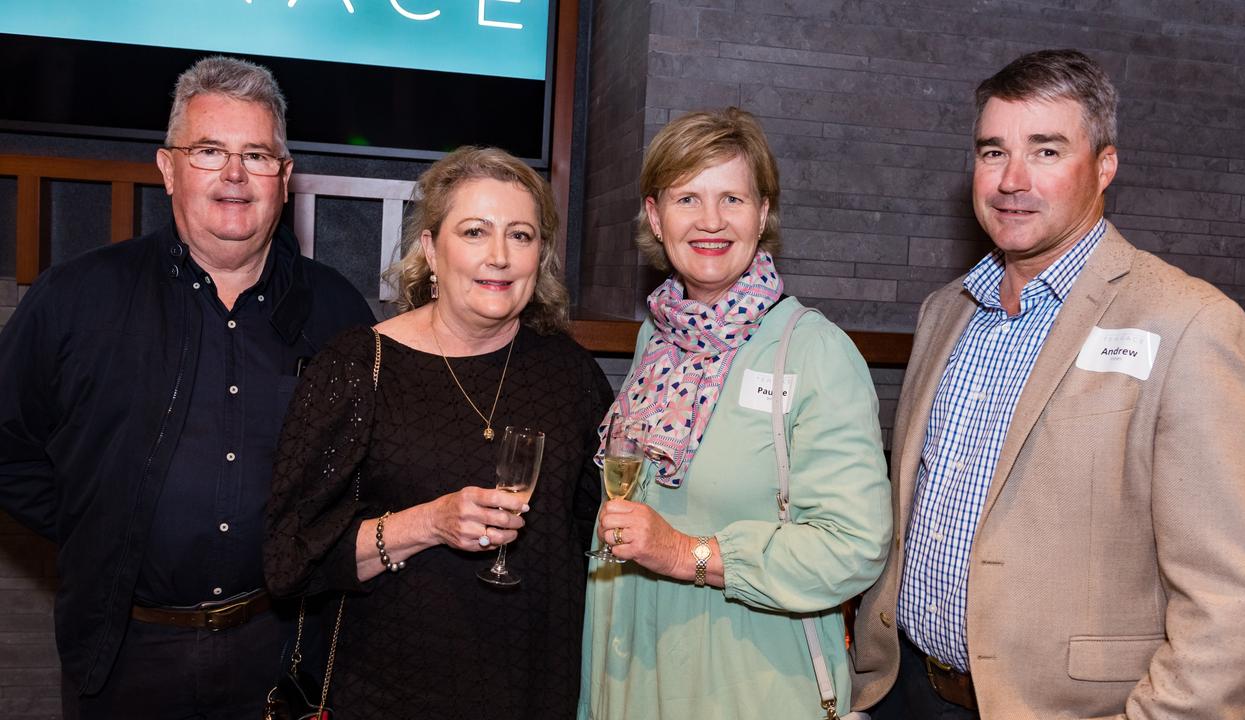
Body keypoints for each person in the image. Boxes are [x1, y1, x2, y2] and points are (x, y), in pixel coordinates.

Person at [850, 49, 1245, 719]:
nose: (1011, 180)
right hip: (903, 693)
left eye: (1046, 152)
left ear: (1104, 166)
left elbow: (1239, 604)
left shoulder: (1187, 324)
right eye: (993, 152)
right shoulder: (945, 312)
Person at [0, 56, 374, 718]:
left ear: (284, 179)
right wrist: (98, 518)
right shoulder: (77, 297)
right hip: (126, 656)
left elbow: (369, 468)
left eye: (256, 155)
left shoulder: (336, 312)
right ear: (168, 168)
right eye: (210, 151)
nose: (234, 174)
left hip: (283, 651)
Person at [264, 145, 612, 718]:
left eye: (521, 235)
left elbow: (593, 533)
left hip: (534, 692)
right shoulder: (359, 366)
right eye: (475, 232)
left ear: (540, 255)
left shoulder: (571, 376)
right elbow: (290, 559)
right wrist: (428, 522)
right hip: (387, 693)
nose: (499, 256)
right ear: (430, 249)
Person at [577, 107, 892, 719]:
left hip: (748, 687)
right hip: (634, 675)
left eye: (733, 199)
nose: (711, 221)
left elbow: (853, 547)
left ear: (763, 213)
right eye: (687, 198)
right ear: (654, 214)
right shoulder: (657, 342)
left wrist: (686, 554)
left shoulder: (814, 351)